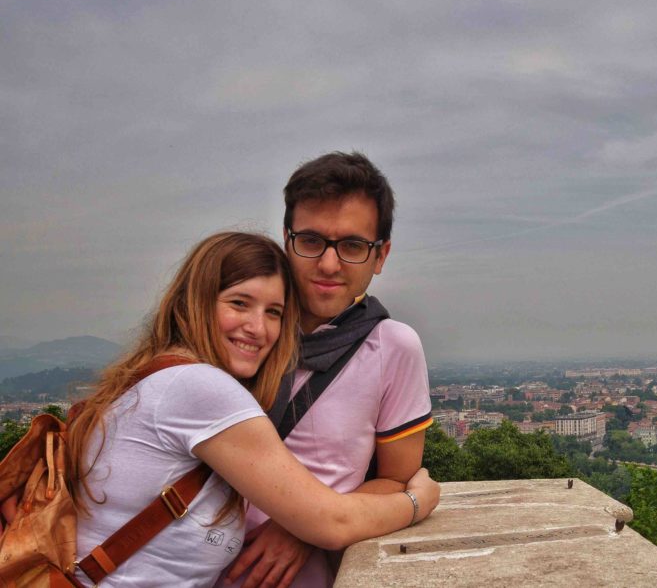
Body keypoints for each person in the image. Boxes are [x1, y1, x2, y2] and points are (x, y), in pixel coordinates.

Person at [66, 232, 440, 587]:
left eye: (274, 312)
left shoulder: (155, 375)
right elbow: (332, 522)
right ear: (195, 302)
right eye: (239, 303)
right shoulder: (200, 388)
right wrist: (417, 500)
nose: (258, 328)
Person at [222, 153, 433, 588]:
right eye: (312, 241)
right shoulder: (244, 331)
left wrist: (305, 526)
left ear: (381, 255)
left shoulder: (392, 347)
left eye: (353, 246)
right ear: (287, 239)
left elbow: (396, 477)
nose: (329, 265)